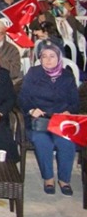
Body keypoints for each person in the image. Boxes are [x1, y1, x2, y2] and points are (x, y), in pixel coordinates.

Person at [18, 43, 80, 195]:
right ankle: (48, 178)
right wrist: (32, 109)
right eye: (44, 56)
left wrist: (68, 111)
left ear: (59, 58)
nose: (48, 60)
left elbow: (75, 102)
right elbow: (22, 98)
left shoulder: (67, 75)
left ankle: (64, 179)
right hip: (38, 121)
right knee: (42, 141)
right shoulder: (33, 73)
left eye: (52, 56)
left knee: (66, 142)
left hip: (60, 121)